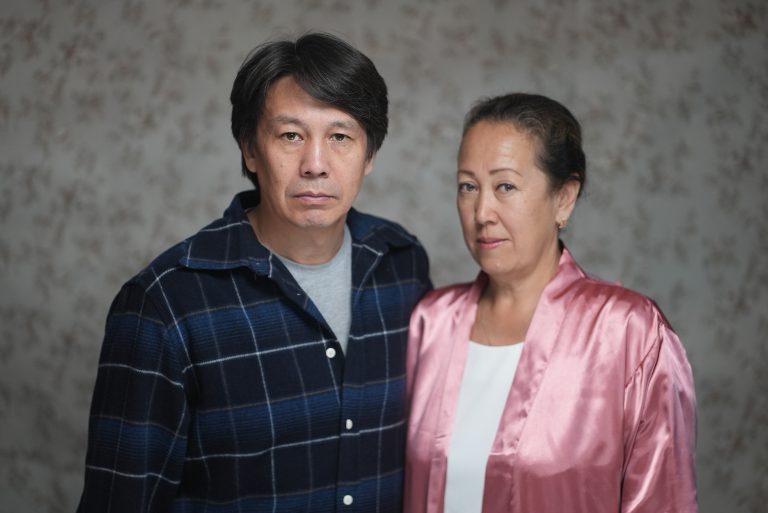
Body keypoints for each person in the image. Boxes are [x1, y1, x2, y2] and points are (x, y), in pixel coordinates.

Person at [77, 32, 431, 513]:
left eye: (340, 137)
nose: (315, 165)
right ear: (249, 149)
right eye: (290, 136)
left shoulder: (402, 265)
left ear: (369, 155)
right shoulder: (165, 305)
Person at [403, 93, 697, 513]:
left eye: (505, 186)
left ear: (564, 198)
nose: (482, 211)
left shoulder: (629, 333)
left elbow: (663, 502)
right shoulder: (430, 323)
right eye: (468, 186)